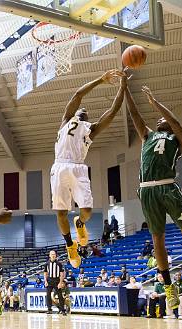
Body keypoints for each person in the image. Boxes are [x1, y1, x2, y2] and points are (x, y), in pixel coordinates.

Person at [125, 81, 182, 309]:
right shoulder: (147, 136)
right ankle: (167, 286)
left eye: (163, 120)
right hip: (147, 191)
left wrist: (155, 104)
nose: (159, 121)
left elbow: (176, 123)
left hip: (168, 188)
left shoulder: (178, 138)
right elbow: (134, 114)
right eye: (158, 119)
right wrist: (124, 87)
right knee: (157, 239)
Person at [50, 70, 126, 268]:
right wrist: (101, 79)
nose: (82, 109)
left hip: (78, 167)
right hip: (59, 166)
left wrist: (123, 87)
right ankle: (69, 245)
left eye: (85, 111)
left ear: (86, 118)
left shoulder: (90, 129)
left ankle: (80, 224)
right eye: (79, 109)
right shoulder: (66, 120)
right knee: (60, 212)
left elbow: (112, 111)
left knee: (87, 211)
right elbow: (78, 95)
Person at [44, 250, 66, 315]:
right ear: (49, 255)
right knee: (48, 295)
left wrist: (60, 282)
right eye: (52, 254)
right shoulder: (47, 264)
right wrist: (45, 281)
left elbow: (62, 274)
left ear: (56, 255)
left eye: (54, 254)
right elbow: (45, 273)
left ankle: (62, 310)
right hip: (49, 280)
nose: (53, 255)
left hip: (57, 281)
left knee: (60, 295)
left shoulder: (59, 264)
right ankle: (49, 309)